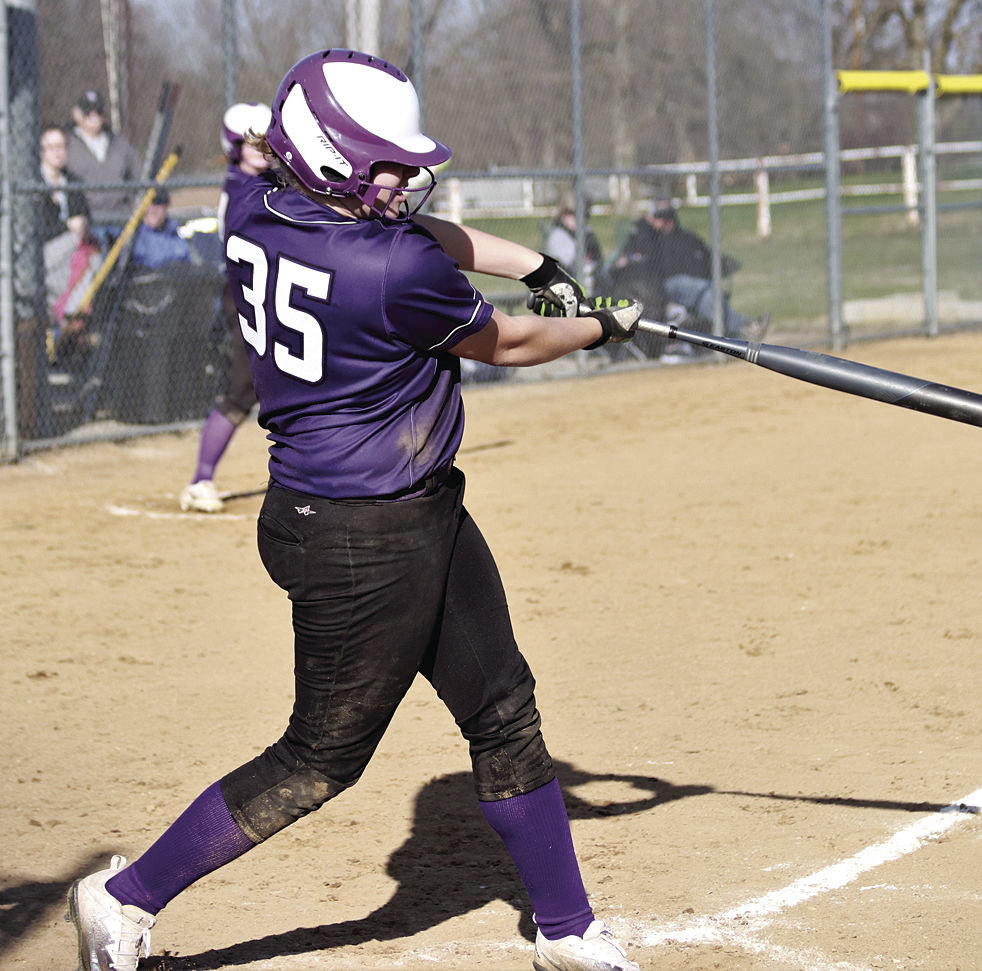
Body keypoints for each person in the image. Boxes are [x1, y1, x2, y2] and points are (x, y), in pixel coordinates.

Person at [67, 48, 643, 971]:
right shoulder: (386, 269)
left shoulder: (256, 208)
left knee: (503, 709)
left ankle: (566, 930)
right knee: (316, 759)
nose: (405, 177)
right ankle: (122, 897)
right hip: (354, 539)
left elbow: (428, 237)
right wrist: (601, 320)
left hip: (407, 511)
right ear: (327, 158)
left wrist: (540, 261)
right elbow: (517, 339)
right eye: (382, 161)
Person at [179, 101, 273, 514]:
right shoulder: (240, 187)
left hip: (275, 296)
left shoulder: (270, 181)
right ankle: (201, 480)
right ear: (233, 146)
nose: (259, 150)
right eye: (249, 143)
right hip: (246, 300)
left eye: (265, 143)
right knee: (241, 390)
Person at [611, 202, 769, 344]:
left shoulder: (686, 238)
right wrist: (647, 223)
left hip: (695, 287)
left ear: (671, 219)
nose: (659, 223)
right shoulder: (650, 239)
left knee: (707, 294)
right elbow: (625, 262)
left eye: (662, 218)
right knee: (702, 290)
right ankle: (743, 326)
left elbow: (707, 258)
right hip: (661, 289)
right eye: (656, 219)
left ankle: (738, 335)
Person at [39, 123, 101, 348]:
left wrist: (82, 224)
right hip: (46, 254)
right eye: (52, 147)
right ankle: (69, 315)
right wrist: (68, 226)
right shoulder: (36, 184)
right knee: (78, 244)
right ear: (42, 151)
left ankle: (75, 317)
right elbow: (37, 228)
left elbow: (85, 216)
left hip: (73, 254)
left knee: (94, 251)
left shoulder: (72, 182)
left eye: (62, 146)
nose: (57, 152)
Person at [64, 89, 143, 246]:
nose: (93, 117)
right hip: (88, 224)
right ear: (76, 114)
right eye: (88, 112)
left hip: (121, 220)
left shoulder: (120, 144)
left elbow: (139, 176)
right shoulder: (66, 144)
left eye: (98, 112)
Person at [544, 198, 608, 296]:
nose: (580, 219)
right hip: (568, 287)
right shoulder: (558, 236)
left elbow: (598, 259)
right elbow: (570, 267)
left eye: (584, 215)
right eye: (574, 214)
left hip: (593, 284)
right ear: (563, 215)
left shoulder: (587, 233)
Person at [130, 189, 191, 269]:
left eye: (158, 202)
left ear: (166, 207)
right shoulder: (130, 237)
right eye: (146, 203)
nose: (152, 209)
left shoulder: (176, 236)